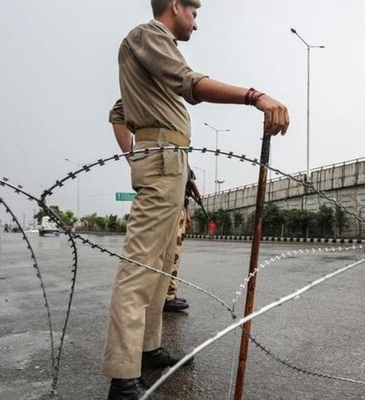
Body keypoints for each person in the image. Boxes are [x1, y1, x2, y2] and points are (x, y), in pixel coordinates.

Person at [102, 1, 289, 399]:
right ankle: (122, 378)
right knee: (139, 267)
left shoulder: (154, 51)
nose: (196, 23)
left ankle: (148, 350)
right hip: (160, 160)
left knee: (160, 268)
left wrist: (176, 169)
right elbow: (191, 84)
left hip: (172, 163)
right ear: (175, 5)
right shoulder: (147, 36)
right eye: (194, 13)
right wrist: (254, 96)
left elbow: (120, 110)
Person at [163, 165, 202, 312]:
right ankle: (167, 296)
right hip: (170, 208)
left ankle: (168, 293)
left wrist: (186, 211)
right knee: (172, 255)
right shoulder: (174, 151)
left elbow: (187, 186)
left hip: (176, 208)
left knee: (172, 256)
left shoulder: (181, 157)